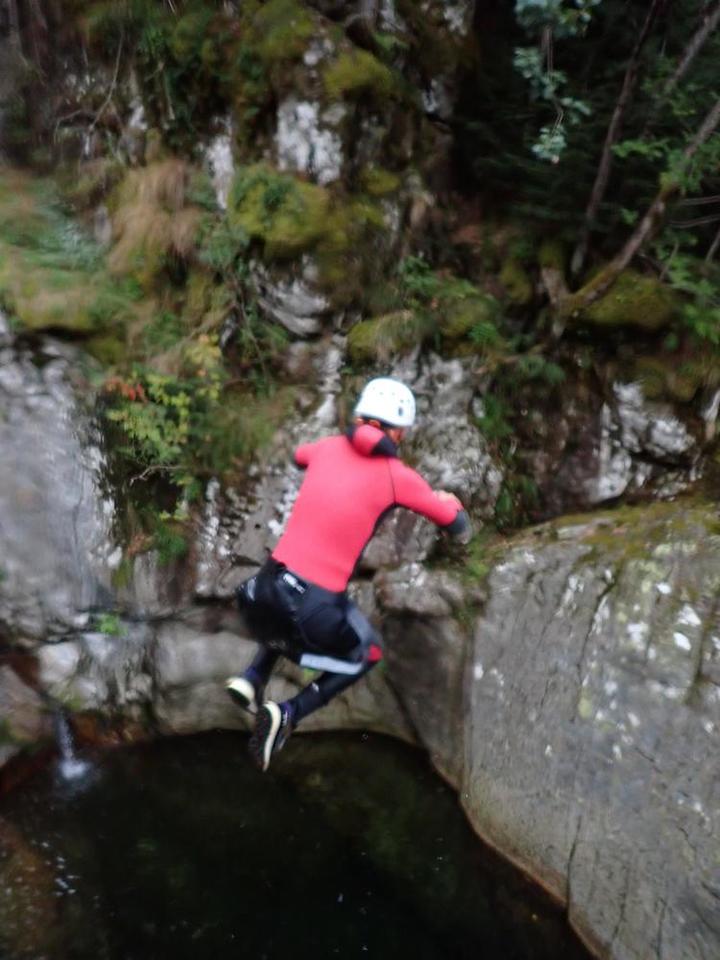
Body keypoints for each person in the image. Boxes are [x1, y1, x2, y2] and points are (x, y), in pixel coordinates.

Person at [226, 376, 471, 772]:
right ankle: (288, 712)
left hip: (259, 592)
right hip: (311, 608)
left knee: (287, 604)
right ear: (398, 431)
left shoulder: (327, 448)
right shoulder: (397, 476)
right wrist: (446, 502)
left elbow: (298, 456)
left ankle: (254, 676)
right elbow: (458, 527)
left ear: (359, 416)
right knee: (367, 651)